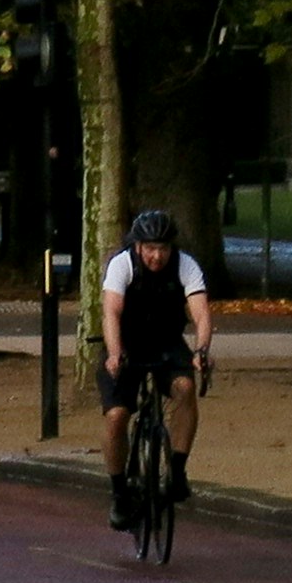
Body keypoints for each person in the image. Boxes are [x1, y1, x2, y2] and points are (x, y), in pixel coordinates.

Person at [100, 206, 215, 516]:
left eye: (163, 248)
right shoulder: (121, 264)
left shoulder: (185, 265)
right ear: (138, 246)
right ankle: (119, 492)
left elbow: (202, 313)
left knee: (185, 388)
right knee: (117, 416)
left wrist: (201, 350)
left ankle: (177, 470)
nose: (156, 256)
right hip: (126, 344)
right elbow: (111, 312)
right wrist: (114, 353)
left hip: (166, 343)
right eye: (150, 248)